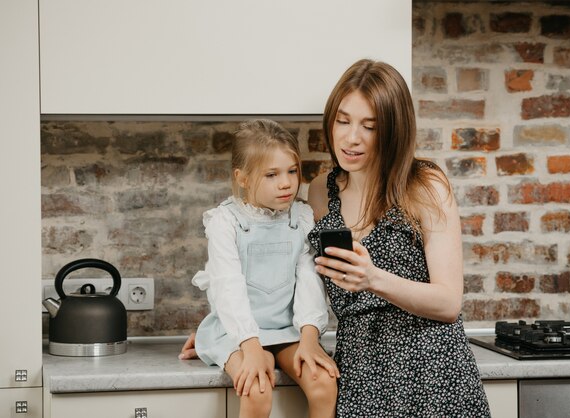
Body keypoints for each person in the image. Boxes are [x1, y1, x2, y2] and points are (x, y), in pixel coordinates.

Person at [306, 59, 491, 417]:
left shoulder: (425, 185)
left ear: (392, 130)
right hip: (361, 375)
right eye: (342, 121)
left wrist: (373, 279)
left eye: (369, 126)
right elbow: (289, 275)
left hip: (433, 375)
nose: (351, 137)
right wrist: (224, 333)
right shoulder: (319, 192)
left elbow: (448, 301)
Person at [183, 119, 338, 418]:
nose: (286, 183)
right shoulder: (225, 222)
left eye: (292, 171)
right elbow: (228, 287)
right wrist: (251, 347)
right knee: (257, 389)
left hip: (288, 332)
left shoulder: (302, 217)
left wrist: (309, 338)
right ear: (242, 178)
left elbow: (309, 279)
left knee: (324, 383)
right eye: (272, 174)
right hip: (238, 334)